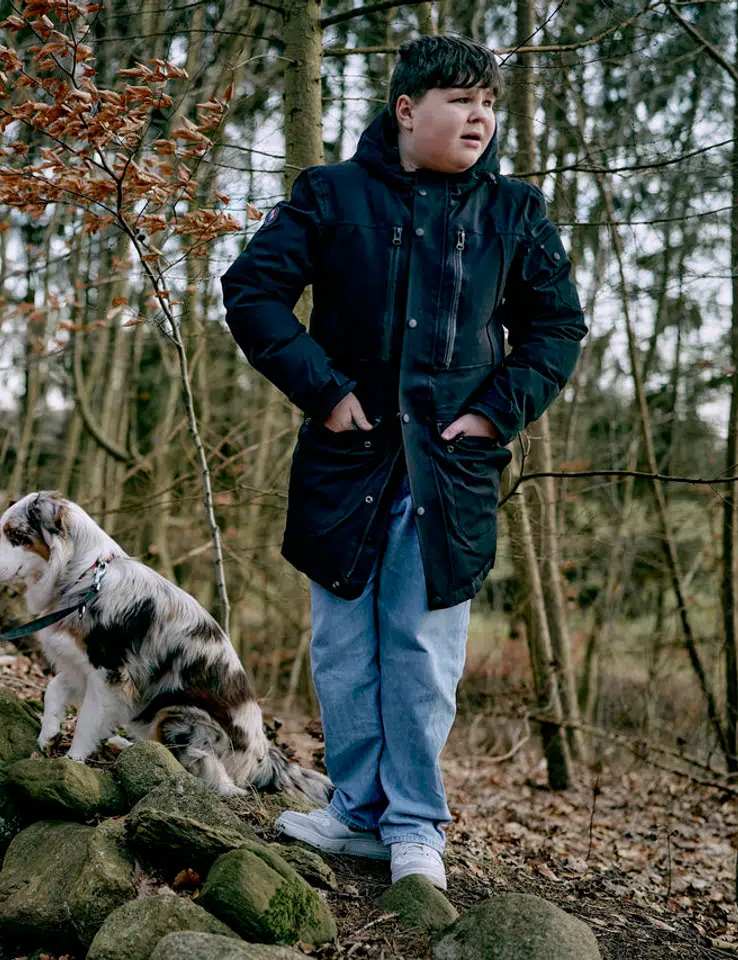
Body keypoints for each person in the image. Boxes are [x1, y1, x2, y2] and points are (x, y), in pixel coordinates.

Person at [220, 34, 586, 890]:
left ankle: (416, 829)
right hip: (345, 465)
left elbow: (556, 329)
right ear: (407, 109)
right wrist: (325, 392)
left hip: (448, 476)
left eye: (489, 105)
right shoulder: (329, 194)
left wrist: (493, 412)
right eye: (461, 101)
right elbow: (252, 290)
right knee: (345, 650)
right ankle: (354, 815)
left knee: (421, 651)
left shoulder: (515, 212)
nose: (480, 118)